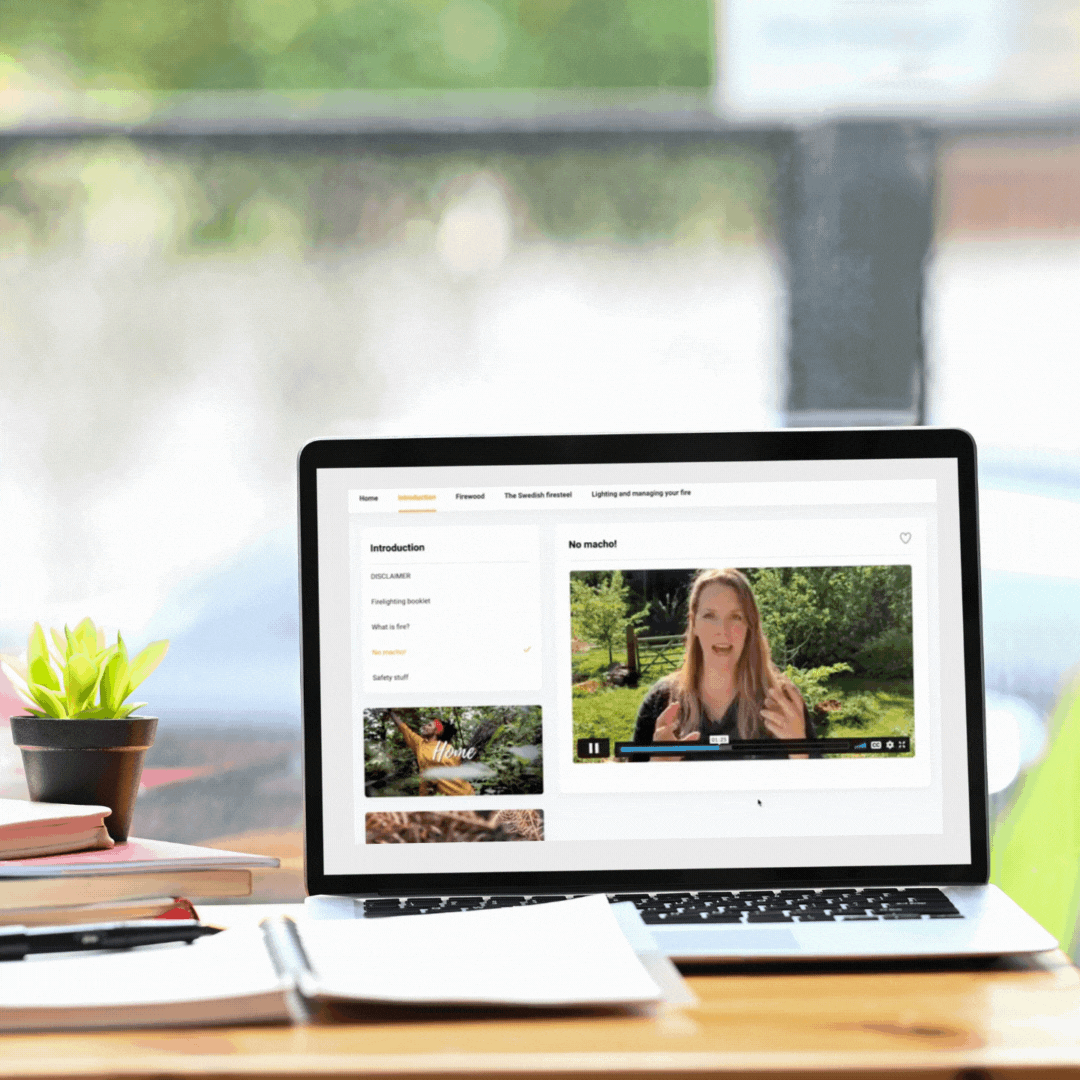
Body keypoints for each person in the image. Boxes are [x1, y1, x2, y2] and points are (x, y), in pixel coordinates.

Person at [631, 568, 816, 760]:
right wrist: (656, 770)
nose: (723, 631)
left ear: (749, 626)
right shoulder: (660, 702)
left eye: (736, 617)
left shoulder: (782, 704)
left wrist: (801, 752)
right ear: (694, 623)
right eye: (710, 616)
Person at [392, 714, 475, 795]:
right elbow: (404, 728)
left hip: (464, 793)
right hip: (442, 797)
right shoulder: (420, 744)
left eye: (429, 725)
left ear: (436, 731)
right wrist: (390, 712)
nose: (424, 726)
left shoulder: (448, 748)